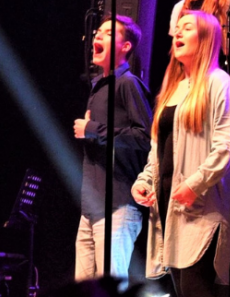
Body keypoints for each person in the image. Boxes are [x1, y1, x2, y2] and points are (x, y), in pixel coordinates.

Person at [133, 11, 230, 297]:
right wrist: (145, 180)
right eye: (177, 28)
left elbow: (228, 146)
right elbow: (159, 148)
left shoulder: (220, 83)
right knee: (182, 290)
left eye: (187, 28)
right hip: (171, 208)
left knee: (197, 289)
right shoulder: (174, 88)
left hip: (203, 210)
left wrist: (195, 184)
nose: (178, 33)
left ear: (206, 38)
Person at [73, 15, 153, 281]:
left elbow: (145, 137)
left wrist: (93, 129)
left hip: (117, 206)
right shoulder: (98, 86)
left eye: (108, 33)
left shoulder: (128, 84)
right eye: (98, 31)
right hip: (91, 207)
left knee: (109, 287)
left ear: (126, 46)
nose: (97, 35)